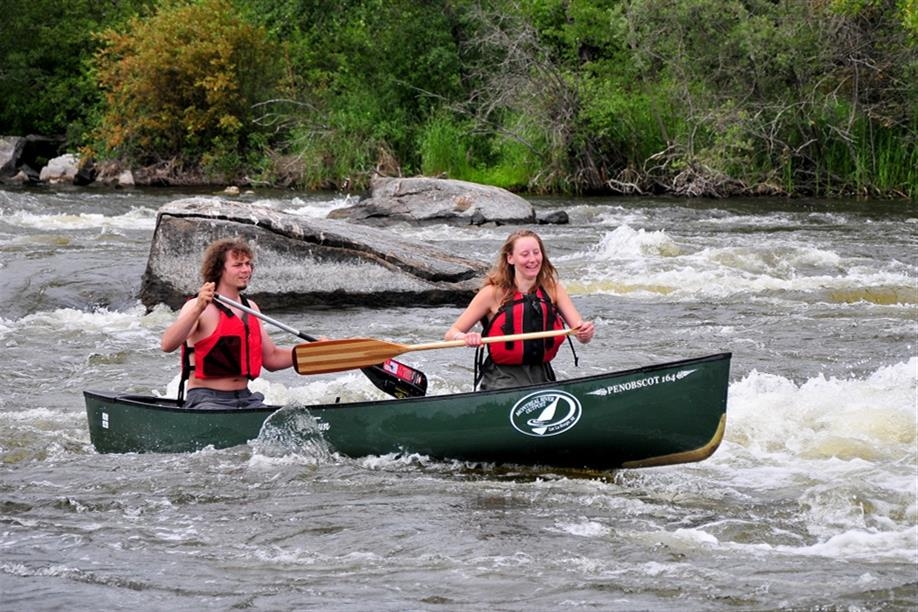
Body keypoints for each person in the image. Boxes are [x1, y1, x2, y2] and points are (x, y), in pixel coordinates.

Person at [445, 229, 595, 390]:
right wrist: (465, 337)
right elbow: (451, 333)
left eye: (536, 253)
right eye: (525, 254)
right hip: (503, 379)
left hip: (543, 375)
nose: (532, 259)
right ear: (510, 258)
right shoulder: (491, 294)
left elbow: (581, 335)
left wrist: (585, 333)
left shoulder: (554, 290)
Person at [161, 238, 294, 409]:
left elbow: (272, 359)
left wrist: (312, 353)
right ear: (219, 270)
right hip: (207, 399)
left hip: (246, 397)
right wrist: (198, 309)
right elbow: (167, 344)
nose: (246, 270)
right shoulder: (198, 306)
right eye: (238, 265)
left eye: (248, 264)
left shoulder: (250, 307)